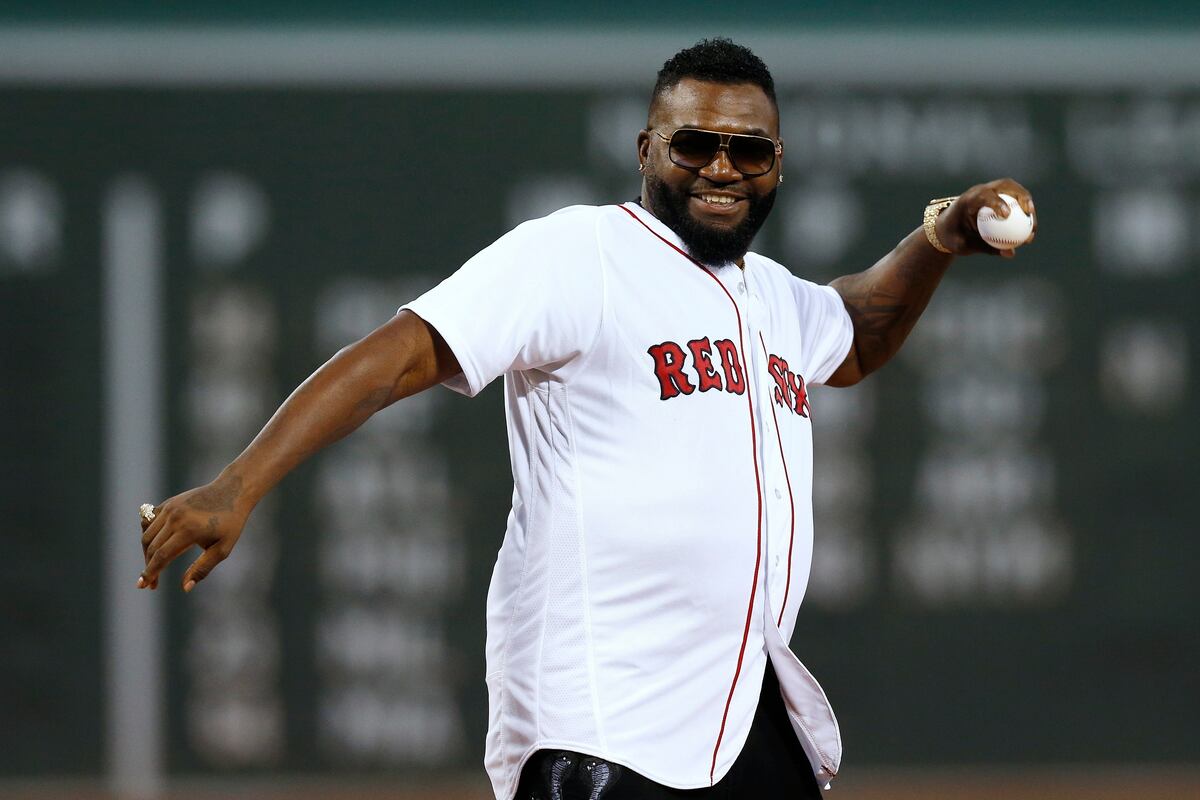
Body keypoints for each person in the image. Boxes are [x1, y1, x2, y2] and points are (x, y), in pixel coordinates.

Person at [137, 38, 1036, 800]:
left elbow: (859, 334)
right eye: (696, 144)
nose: (722, 167)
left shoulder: (775, 299)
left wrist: (941, 235)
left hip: (742, 707)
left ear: (777, 165)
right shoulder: (580, 255)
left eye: (748, 151)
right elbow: (398, 355)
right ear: (648, 149)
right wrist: (237, 483)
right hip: (601, 721)